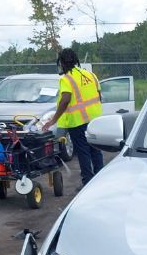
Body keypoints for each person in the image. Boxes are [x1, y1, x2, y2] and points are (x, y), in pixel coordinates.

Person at [42, 48, 103, 188]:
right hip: (95, 120)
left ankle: (87, 183)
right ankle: (100, 181)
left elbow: (65, 100)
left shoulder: (66, 79)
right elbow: (99, 95)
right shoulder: (90, 75)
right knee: (96, 150)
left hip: (78, 122)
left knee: (83, 152)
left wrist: (53, 120)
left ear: (62, 63)